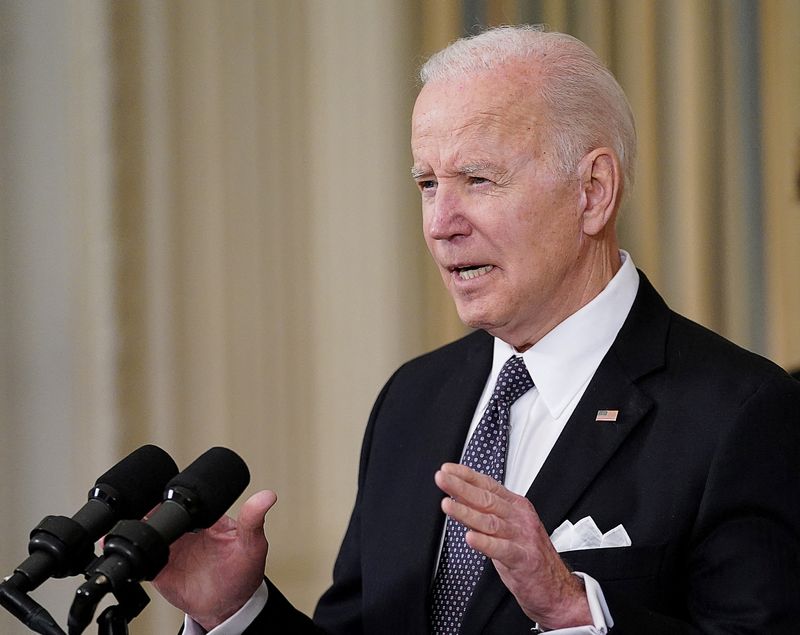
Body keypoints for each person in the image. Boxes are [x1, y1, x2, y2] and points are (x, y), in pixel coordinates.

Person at [155, 25, 800, 634]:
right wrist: (235, 611)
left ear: (593, 192)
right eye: (428, 184)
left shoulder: (740, 412)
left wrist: (573, 610)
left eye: (478, 179)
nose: (441, 222)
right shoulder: (412, 398)